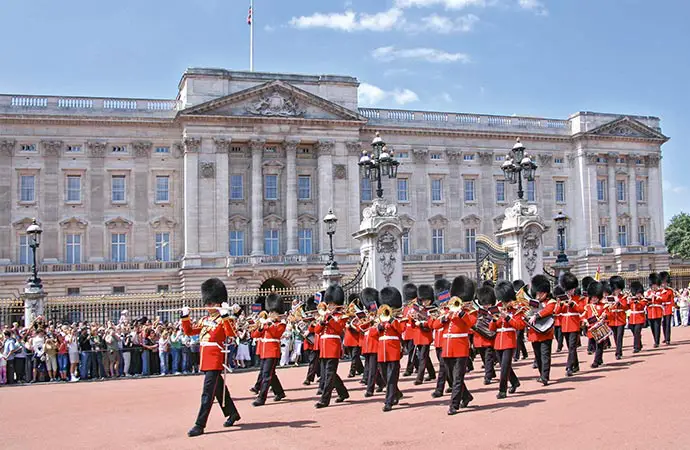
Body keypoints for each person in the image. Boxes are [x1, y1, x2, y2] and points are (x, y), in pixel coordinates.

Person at [182, 278, 240, 438]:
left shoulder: (223, 320)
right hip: (205, 358)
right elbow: (189, 331)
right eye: (207, 303)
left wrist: (226, 315)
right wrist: (185, 316)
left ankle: (199, 424)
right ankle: (232, 413)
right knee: (218, 389)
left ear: (218, 302)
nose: (208, 306)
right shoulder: (204, 320)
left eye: (211, 303)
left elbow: (231, 334)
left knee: (207, 393)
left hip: (215, 359)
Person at [438, 276, 476, 415]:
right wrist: (444, 317)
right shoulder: (446, 311)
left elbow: (472, 323)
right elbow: (434, 325)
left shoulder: (468, 311)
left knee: (458, 378)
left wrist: (461, 313)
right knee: (451, 377)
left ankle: (453, 405)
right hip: (447, 348)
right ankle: (466, 396)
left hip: (460, 348)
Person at [369, 286, 405, 412]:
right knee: (384, 376)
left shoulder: (398, 318)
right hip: (381, 351)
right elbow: (372, 334)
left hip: (393, 350)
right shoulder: (379, 318)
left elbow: (402, 329)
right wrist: (377, 327)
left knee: (391, 377)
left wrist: (393, 320)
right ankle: (397, 393)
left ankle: (388, 401)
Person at [314, 284, 349, 408]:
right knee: (329, 373)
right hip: (323, 347)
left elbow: (339, 329)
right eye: (329, 304)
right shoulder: (325, 316)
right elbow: (317, 331)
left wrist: (330, 318)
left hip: (333, 347)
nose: (329, 306)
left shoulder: (341, 316)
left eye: (332, 304)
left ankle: (324, 399)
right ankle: (343, 393)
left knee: (329, 374)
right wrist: (322, 322)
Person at [491, 280, 526, 399]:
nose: (505, 303)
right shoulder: (498, 308)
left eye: (506, 300)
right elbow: (492, 328)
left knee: (505, 367)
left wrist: (507, 317)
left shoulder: (517, 310)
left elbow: (520, 325)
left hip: (509, 341)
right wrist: (494, 319)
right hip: (498, 341)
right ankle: (515, 382)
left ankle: (502, 390)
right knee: (504, 366)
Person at [253, 292, 287, 406]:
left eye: (274, 312)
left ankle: (261, 398)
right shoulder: (266, 322)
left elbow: (275, 334)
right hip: (263, 351)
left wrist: (268, 324)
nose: (271, 314)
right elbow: (254, 335)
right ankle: (280, 392)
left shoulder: (281, 323)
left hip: (272, 351)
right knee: (269, 374)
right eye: (271, 312)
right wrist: (261, 327)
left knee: (266, 375)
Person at [527, 274, 557, 386]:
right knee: (537, 355)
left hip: (545, 333)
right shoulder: (534, 302)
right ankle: (541, 374)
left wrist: (537, 315)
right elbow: (529, 314)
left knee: (545, 355)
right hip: (534, 333)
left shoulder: (551, 302)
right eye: (537, 292)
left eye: (540, 293)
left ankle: (545, 376)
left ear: (546, 292)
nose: (538, 295)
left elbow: (548, 311)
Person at [358, 287, 385, 397]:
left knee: (372, 368)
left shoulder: (380, 316)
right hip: (367, 345)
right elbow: (361, 329)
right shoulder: (368, 315)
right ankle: (381, 382)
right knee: (369, 368)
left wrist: (374, 323)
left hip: (375, 345)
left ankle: (370, 389)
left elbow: (377, 332)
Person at [557, 272, 585, 376]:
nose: (570, 291)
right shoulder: (561, 299)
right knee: (570, 347)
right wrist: (560, 304)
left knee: (572, 347)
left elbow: (581, 310)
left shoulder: (578, 299)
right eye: (568, 289)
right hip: (565, 325)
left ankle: (569, 367)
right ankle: (576, 365)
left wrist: (572, 303)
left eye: (572, 289)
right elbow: (556, 311)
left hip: (574, 325)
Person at [431, 278, 453, 398]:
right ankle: (452, 384)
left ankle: (439, 389)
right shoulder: (437, 310)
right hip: (438, 342)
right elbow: (433, 325)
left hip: (446, 342)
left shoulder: (451, 310)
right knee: (446, 367)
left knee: (443, 367)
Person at [411, 284, 436, 385]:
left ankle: (419, 378)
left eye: (427, 300)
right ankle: (432, 373)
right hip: (418, 336)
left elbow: (431, 323)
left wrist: (421, 323)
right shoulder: (419, 309)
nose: (425, 302)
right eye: (423, 300)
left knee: (422, 357)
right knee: (425, 356)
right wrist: (413, 318)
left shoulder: (432, 309)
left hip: (426, 336)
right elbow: (412, 324)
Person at [584, 281, 607, 368]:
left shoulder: (603, 306)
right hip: (591, 328)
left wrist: (605, 316)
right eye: (592, 297)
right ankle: (600, 360)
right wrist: (585, 321)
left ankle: (596, 362)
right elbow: (583, 316)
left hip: (599, 328)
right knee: (593, 345)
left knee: (599, 345)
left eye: (596, 297)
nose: (594, 299)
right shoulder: (588, 306)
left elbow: (609, 314)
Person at [607, 276, 629, 360]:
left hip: (621, 319)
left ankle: (618, 352)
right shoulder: (609, 297)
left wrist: (619, 303)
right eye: (616, 289)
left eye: (619, 289)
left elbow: (626, 307)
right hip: (612, 319)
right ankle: (618, 349)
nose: (618, 290)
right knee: (615, 336)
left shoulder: (623, 297)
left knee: (620, 336)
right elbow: (607, 308)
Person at [344, 293, 364, 378]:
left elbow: (360, 328)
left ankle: (352, 372)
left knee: (354, 357)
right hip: (349, 339)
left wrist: (352, 326)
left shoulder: (360, 317)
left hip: (356, 339)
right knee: (354, 357)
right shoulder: (348, 317)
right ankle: (361, 370)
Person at [401, 283, 418, 377]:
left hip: (413, 332)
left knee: (412, 352)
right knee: (412, 352)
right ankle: (418, 366)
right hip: (406, 333)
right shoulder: (406, 308)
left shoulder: (416, 308)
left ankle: (409, 369)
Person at [511, 280, 529, 362]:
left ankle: (516, 355)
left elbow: (528, 305)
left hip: (521, 318)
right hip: (514, 318)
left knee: (518, 337)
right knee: (519, 338)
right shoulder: (514, 295)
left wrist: (520, 307)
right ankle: (525, 353)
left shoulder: (523, 294)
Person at [628, 281, 647, 353]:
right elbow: (627, 307)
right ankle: (639, 344)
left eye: (639, 293)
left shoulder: (643, 300)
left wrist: (638, 302)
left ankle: (636, 347)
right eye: (636, 293)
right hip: (632, 319)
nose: (638, 295)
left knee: (636, 332)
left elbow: (643, 305)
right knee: (635, 332)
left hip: (640, 318)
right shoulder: (632, 299)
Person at [646, 273, 663, 348]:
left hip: (657, 312)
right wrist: (649, 297)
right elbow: (646, 302)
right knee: (652, 327)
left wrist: (657, 296)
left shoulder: (661, 291)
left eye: (655, 284)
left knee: (657, 327)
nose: (654, 286)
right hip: (650, 312)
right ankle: (655, 339)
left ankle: (657, 341)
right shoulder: (648, 292)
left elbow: (663, 299)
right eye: (652, 285)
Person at [658, 271, 674, 344]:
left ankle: (668, 339)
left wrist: (672, 308)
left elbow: (671, 300)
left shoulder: (670, 291)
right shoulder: (659, 291)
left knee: (667, 324)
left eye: (665, 283)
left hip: (668, 308)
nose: (663, 284)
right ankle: (665, 337)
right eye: (662, 283)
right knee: (663, 324)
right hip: (661, 309)